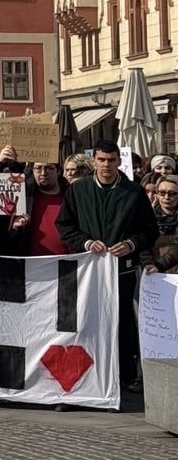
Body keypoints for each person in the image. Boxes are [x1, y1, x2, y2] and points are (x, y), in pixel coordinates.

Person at [57, 140, 161, 399]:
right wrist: (85, 242)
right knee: (83, 321)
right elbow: (64, 226)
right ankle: (84, 373)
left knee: (122, 323)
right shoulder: (78, 190)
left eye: (111, 160)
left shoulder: (133, 192)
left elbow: (149, 230)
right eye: (101, 160)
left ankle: (123, 376)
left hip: (121, 271)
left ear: (118, 161)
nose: (106, 165)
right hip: (86, 271)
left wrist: (131, 244)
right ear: (94, 161)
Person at [26, 160, 69, 257]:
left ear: (58, 171)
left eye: (49, 168)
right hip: (30, 265)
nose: (43, 173)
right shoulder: (25, 197)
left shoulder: (71, 195)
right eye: (38, 168)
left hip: (67, 264)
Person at [143, 176, 178, 271]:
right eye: (162, 193)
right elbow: (143, 246)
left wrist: (159, 265)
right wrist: (149, 264)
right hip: (155, 275)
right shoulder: (147, 218)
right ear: (157, 195)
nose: (166, 197)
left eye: (172, 194)